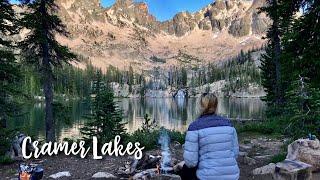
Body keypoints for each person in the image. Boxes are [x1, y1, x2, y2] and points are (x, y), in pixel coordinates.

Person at [182, 93, 239, 180]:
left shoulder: (194, 127)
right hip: (232, 176)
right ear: (216, 106)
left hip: (207, 177)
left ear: (200, 106)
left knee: (186, 170)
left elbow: (191, 162)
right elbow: (235, 154)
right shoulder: (229, 125)